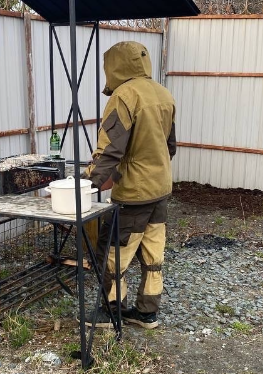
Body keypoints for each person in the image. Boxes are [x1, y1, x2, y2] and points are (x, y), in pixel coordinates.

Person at [81, 40, 176, 329]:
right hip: (160, 189)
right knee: (152, 254)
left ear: (114, 65)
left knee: (112, 252)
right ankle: (147, 313)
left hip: (134, 195)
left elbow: (110, 150)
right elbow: (169, 147)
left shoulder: (124, 95)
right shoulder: (163, 93)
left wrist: (86, 184)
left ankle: (112, 312)